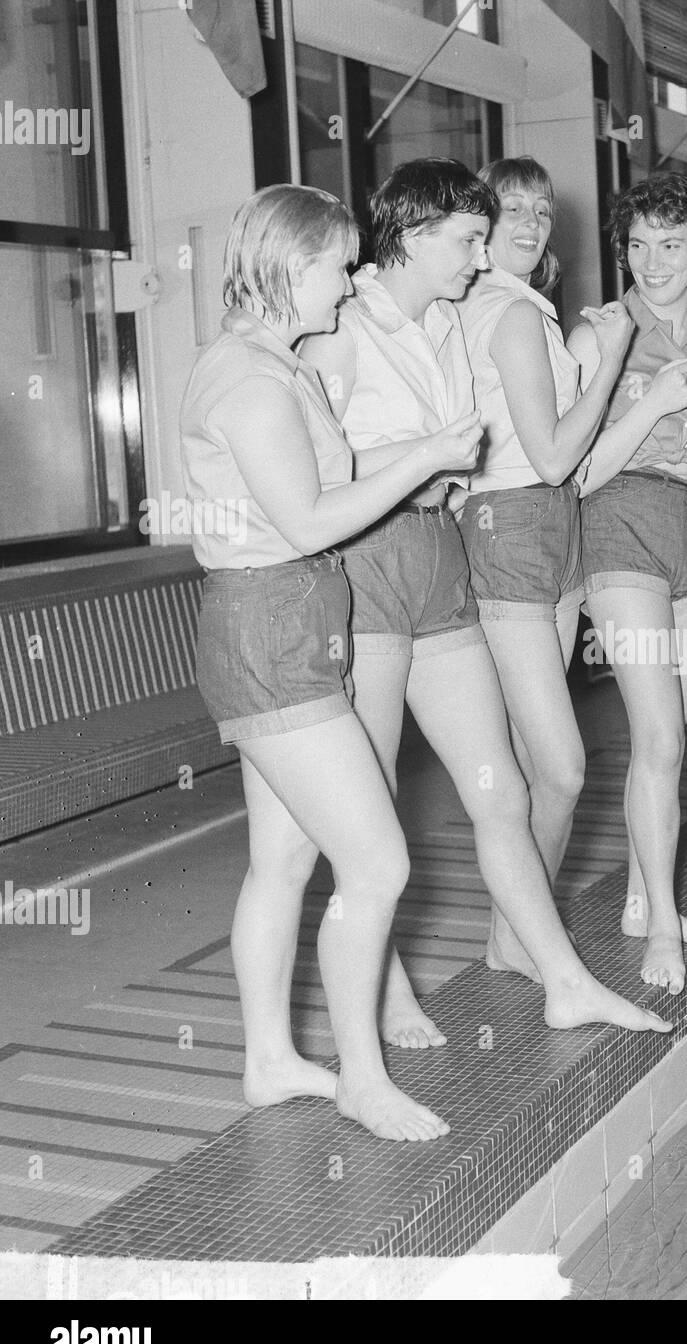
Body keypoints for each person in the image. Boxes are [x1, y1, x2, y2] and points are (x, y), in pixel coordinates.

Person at [301, 158, 671, 1036]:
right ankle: (383, 991)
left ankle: (558, 974)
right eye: (473, 234)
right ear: (418, 232)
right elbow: (320, 471)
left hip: (444, 559)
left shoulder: (440, 322)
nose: (484, 253)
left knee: (501, 790)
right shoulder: (345, 327)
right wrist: (422, 467)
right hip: (377, 563)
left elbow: (512, 462)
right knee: (375, 804)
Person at [182, 183, 468, 1141]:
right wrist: (424, 453)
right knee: (378, 861)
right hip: (269, 630)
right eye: (338, 267)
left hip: (290, 620)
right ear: (289, 266)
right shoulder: (253, 381)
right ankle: (360, 1076)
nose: (348, 288)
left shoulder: (277, 363)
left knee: (283, 859)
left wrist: (413, 455)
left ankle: (268, 1059)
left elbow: (323, 490)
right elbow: (306, 520)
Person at [453, 155, 635, 977]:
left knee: (536, 759)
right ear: (480, 223)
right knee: (560, 767)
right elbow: (557, 454)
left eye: (540, 210)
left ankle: (508, 938)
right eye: (509, 209)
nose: (528, 224)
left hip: (544, 526)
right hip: (518, 525)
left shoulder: (519, 306)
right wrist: (608, 361)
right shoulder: (513, 315)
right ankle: (518, 937)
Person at [570, 173, 687, 995]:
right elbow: (574, 471)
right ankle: (663, 927)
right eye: (636, 245)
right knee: (660, 738)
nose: (651, 261)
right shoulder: (600, 332)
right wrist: (647, 405)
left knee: (670, 744)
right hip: (619, 529)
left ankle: (645, 901)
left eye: (669, 244)